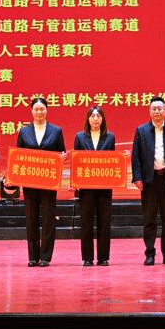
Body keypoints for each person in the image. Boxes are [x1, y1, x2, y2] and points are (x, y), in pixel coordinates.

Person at [131, 96, 165, 266]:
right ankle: (150, 254)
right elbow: (136, 157)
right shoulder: (141, 131)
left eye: (160, 108)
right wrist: (137, 177)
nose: (157, 112)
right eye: (154, 109)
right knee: (149, 219)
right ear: (149, 111)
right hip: (149, 181)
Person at [16, 97, 66, 267]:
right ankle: (33, 256)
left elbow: (61, 153)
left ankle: (45, 256)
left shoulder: (56, 131)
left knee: (48, 220)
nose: (39, 112)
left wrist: (62, 157)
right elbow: (18, 156)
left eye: (42, 109)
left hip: (49, 182)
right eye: (36, 109)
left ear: (47, 110)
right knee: (31, 219)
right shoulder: (24, 132)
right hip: (30, 182)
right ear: (31, 111)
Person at [73, 106, 117, 267]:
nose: (96, 119)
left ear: (103, 119)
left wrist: (121, 158)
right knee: (86, 222)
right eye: (93, 116)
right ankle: (87, 257)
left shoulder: (110, 137)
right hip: (86, 187)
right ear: (88, 119)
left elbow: (113, 160)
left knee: (104, 222)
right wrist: (75, 183)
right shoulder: (80, 137)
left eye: (98, 116)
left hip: (104, 186)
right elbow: (76, 161)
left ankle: (103, 257)